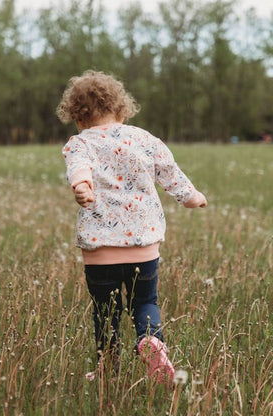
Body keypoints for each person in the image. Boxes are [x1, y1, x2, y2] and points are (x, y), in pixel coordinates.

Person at [57, 70, 207, 384]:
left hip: (101, 249)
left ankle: (106, 370)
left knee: (105, 312)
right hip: (144, 245)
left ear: (77, 117)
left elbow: (79, 168)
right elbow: (169, 171)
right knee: (146, 302)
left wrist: (82, 185)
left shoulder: (80, 142)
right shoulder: (143, 138)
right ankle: (150, 341)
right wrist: (190, 196)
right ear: (122, 109)